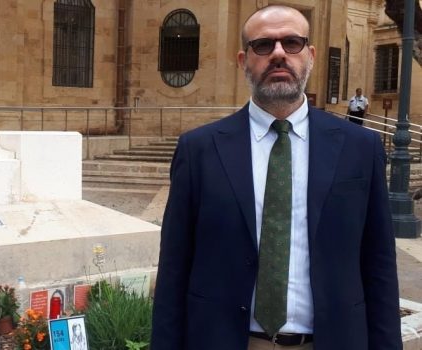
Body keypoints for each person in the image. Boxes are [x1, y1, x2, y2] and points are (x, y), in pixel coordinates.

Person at [151, 5, 401, 350]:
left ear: (310, 56)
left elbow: (380, 267)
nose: (279, 54)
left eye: (292, 43)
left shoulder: (360, 148)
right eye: (264, 45)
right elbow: (174, 270)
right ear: (243, 60)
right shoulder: (199, 151)